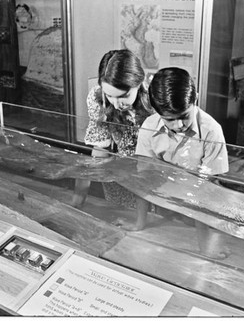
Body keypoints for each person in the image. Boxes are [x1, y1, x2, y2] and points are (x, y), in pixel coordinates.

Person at [135, 67, 230, 257]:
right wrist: (139, 224)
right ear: (156, 110)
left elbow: (208, 190)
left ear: (195, 98)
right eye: (169, 119)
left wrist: (206, 248)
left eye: (184, 116)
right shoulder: (149, 127)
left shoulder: (211, 131)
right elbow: (143, 181)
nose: (178, 125)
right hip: (164, 208)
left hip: (200, 210)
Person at [71, 49, 154, 227]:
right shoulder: (97, 97)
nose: (116, 104)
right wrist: (77, 205)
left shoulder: (155, 100)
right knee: (121, 216)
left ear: (138, 84)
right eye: (110, 95)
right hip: (120, 175)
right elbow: (100, 151)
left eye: (123, 96)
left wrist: (140, 224)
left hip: (154, 176)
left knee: (156, 225)